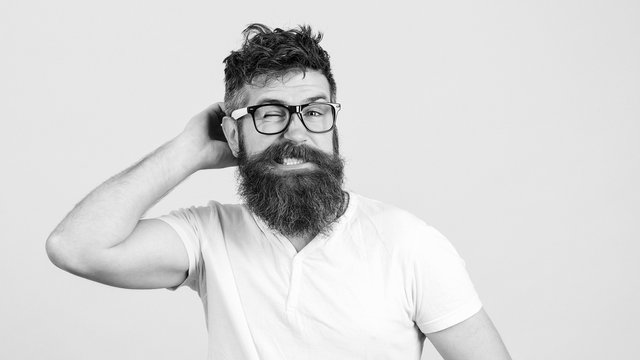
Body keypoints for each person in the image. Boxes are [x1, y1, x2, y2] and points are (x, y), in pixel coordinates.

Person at [46, 23, 512, 360]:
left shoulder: (409, 245)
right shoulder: (208, 237)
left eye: (314, 111)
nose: (297, 134)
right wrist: (188, 148)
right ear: (233, 135)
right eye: (270, 114)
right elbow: (76, 247)